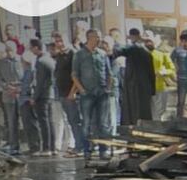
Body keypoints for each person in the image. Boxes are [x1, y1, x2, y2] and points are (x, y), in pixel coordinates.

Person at [71, 29, 113, 161]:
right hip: (87, 93)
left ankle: (103, 150)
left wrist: (108, 88)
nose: (99, 40)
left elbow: (109, 73)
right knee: (86, 123)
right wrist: (81, 89)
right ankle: (87, 150)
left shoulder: (102, 54)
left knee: (103, 123)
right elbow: (74, 74)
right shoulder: (79, 55)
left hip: (102, 93)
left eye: (100, 37)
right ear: (90, 38)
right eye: (97, 37)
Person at [115, 28, 156, 123]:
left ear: (131, 36)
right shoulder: (147, 52)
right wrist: (152, 89)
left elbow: (117, 52)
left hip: (132, 85)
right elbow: (151, 72)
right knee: (144, 111)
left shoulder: (132, 48)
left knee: (132, 111)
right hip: (145, 86)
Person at [51, 32, 83, 155]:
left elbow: (76, 74)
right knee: (69, 120)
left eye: (61, 40)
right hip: (62, 93)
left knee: (75, 121)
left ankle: (79, 146)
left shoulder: (72, 54)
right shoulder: (59, 55)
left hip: (71, 93)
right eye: (57, 41)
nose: (59, 43)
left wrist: (73, 92)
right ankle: (75, 144)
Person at [0, 41, 23, 154]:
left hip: (21, 95)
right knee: (11, 121)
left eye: (11, 50)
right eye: (7, 50)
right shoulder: (1, 63)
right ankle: (14, 145)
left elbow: (28, 77)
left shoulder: (22, 60)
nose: (9, 53)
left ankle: (33, 145)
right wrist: (8, 87)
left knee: (26, 120)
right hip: (8, 95)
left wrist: (18, 88)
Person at [27, 38, 56, 155]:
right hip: (50, 94)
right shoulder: (50, 59)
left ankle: (46, 148)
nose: (30, 49)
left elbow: (40, 82)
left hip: (43, 96)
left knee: (43, 122)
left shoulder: (41, 61)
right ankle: (52, 147)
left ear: (35, 47)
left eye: (31, 47)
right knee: (50, 121)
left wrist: (34, 97)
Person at [148, 34, 175, 120]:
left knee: (160, 111)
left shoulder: (162, 54)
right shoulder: (140, 54)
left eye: (149, 41)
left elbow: (172, 69)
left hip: (159, 87)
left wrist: (163, 72)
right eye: (145, 41)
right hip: (145, 88)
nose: (148, 43)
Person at [171, 37, 187, 118]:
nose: (184, 43)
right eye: (183, 41)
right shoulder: (177, 50)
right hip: (181, 78)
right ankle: (179, 118)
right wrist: (175, 68)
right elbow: (171, 60)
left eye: (186, 41)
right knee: (181, 101)